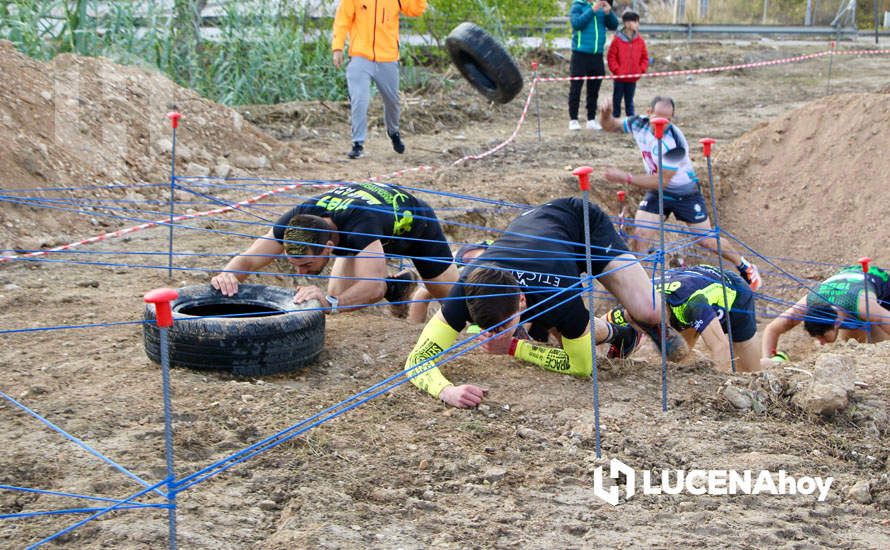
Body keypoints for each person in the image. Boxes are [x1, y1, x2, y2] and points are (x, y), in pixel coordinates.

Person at [403, 197, 688, 408]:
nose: (495, 335)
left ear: (522, 302)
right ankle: (619, 334)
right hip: (536, 235)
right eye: (487, 328)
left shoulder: (560, 296)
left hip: (578, 223)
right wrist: (447, 391)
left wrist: (514, 346)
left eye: (503, 326)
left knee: (647, 310)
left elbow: (581, 367)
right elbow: (416, 361)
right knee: (556, 332)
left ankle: (637, 318)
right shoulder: (466, 290)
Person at [211, 182, 458, 316]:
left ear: (328, 248)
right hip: (366, 229)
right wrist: (228, 275)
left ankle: (470, 266)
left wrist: (329, 304)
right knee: (339, 291)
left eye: (306, 264)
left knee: (454, 302)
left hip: (416, 227)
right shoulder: (298, 219)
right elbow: (249, 260)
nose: (300, 273)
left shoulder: (361, 226)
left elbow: (373, 287)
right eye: (294, 265)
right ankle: (399, 286)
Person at [599, 96, 763, 291]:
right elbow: (610, 125)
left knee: (706, 239)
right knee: (640, 235)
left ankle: (745, 266)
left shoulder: (674, 142)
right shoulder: (638, 123)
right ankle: (644, 288)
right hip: (658, 192)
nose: (661, 123)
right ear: (648, 112)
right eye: (657, 117)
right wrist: (605, 114)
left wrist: (625, 177)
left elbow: (663, 180)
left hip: (684, 192)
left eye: (667, 119)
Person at [605, 265, 762, 372]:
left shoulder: (692, 304)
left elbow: (721, 347)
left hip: (734, 292)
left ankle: (774, 362)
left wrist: (716, 390)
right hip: (688, 283)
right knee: (679, 358)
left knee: (748, 371)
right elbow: (599, 323)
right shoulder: (634, 305)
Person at [331, 0, 427, 159]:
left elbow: (416, 10)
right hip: (360, 57)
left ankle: (393, 131)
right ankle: (358, 143)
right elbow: (342, 20)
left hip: (388, 58)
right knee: (359, 99)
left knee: (392, 101)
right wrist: (337, 48)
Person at [761, 265, 890, 361]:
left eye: (822, 336)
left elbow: (884, 320)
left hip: (881, 287)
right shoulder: (807, 303)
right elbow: (772, 328)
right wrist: (766, 359)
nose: (821, 343)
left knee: (878, 347)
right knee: (853, 343)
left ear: (837, 322)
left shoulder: (864, 305)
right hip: (848, 280)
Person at [407, 239, 492, 324]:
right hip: (475, 259)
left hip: (474, 254)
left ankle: (414, 323)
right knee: (426, 292)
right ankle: (413, 325)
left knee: (426, 292)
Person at [568, 0, 618, 131]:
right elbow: (576, 24)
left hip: (597, 55)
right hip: (579, 53)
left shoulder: (602, 7)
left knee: (594, 89)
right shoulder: (578, 5)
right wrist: (592, 10)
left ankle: (591, 119)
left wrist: (609, 13)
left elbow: (614, 25)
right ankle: (573, 119)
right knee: (576, 88)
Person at [607, 10, 648, 118]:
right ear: (628, 24)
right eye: (636, 22)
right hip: (619, 77)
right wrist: (617, 70)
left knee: (629, 101)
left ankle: (630, 120)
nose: (637, 25)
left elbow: (645, 57)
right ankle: (615, 120)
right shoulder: (617, 40)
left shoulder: (640, 40)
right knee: (617, 99)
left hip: (632, 77)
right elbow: (611, 57)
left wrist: (640, 70)